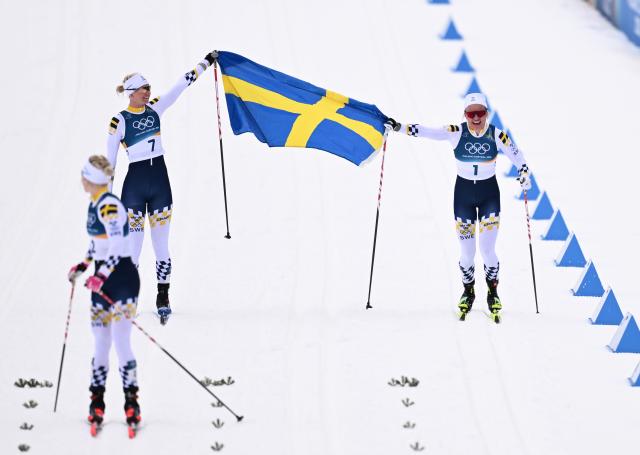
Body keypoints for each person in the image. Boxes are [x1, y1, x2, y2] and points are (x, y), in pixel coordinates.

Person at [385, 93, 531, 322]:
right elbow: (427, 131)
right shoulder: (456, 132)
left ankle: (493, 293)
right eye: (471, 114)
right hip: (463, 196)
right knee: (467, 253)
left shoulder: (497, 135)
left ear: (486, 114)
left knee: (487, 250)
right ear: (465, 115)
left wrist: (524, 173)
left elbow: (518, 157)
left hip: (489, 196)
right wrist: (398, 127)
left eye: (480, 113)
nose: (475, 118)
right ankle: (468, 291)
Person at [106, 50, 218, 321]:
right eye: (143, 89)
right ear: (131, 92)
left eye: (149, 89)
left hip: (160, 186)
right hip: (134, 187)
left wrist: (206, 62)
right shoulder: (118, 121)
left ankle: (162, 295)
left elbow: (180, 85)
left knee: (162, 247)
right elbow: (110, 162)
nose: (148, 92)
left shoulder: (155, 107)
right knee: (133, 249)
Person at [68, 155, 142, 430]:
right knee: (101, 341)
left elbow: (116, 244)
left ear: (92, 179)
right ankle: (96, 400)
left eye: (83, 176)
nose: (81, 180)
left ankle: (131, 402)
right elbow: (97, 245)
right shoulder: (95, 203)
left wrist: (100, 275)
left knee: (121, 340)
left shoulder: (110, 206)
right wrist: (84, 266)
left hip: (121, 278)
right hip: (103, 279)